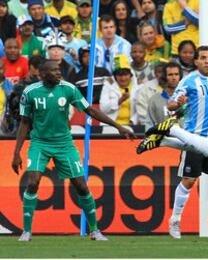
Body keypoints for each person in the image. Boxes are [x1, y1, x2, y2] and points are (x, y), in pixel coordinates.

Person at [12, 60, 136, 241]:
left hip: (64, 143)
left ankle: (95, 230)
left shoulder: (69, 88)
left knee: (81, 185)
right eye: (54, 70)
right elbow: (24, 123)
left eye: (59, 69)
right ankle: (27, 231)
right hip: (40, 143)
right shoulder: (30, 92)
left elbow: (91, 111)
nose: (59, 73)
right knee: (33, 182)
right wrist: (16, 153)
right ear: (43, 74)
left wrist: (118, 126)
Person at [159, 46, 208, 239]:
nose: (207, 61)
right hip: (194, 137)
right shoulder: (189, 81)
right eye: (203, 58)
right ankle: (175, 221)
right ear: (196, 61)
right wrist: (177, 103)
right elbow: (171, 103)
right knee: (189, 180)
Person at [99, 54, 141, 125]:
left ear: (130, 75)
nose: (123, 78)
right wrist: (120, 101)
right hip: (110, 126)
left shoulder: (139, 86)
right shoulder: (108, 85)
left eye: (125, 74)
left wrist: (133, 122)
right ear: (115, 76)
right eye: (120, 75)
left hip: (133, 126)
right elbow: (103, 108)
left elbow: (142, 108)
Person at [145, 61, 182, 131]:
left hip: (184, 141)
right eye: (170, 75)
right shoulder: (154, 100)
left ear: (180, 76)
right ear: (165, 77)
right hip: (162, 140)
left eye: (176, 74)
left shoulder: (187, 99)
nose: (174, 78)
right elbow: (149, 125)